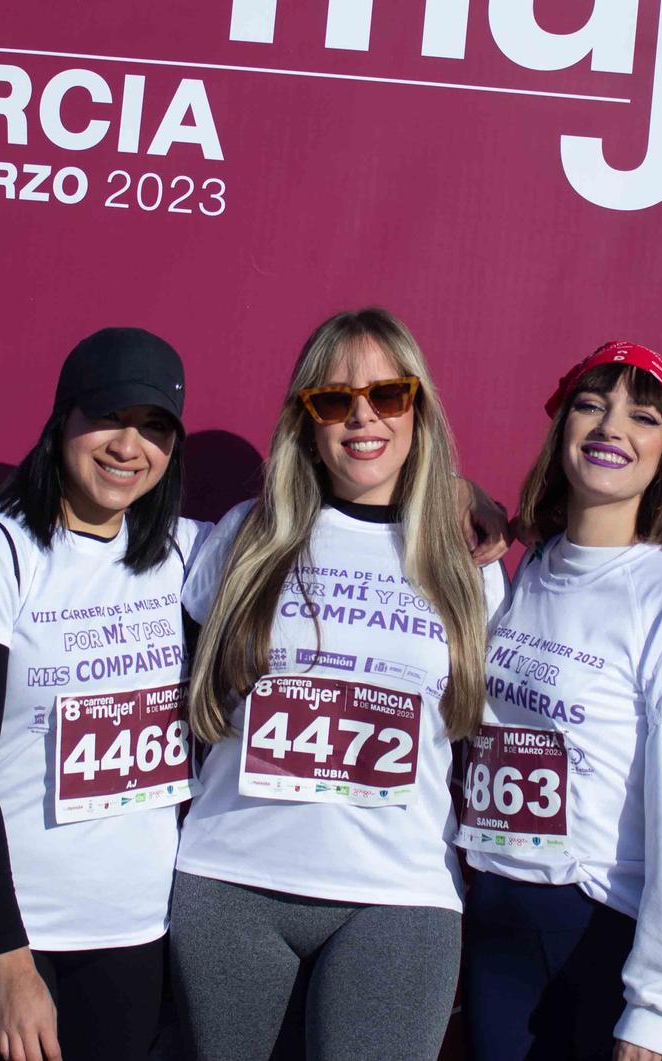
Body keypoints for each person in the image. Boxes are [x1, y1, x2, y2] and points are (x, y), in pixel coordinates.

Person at [168, 307, 504, 1061]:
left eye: (388, 395)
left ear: (417, 410)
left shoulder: (467, 563)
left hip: (399, 898)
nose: (362, 417)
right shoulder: (243, 536)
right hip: (233, 882)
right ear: (306, 420)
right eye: (333, 399)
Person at [0, 326, 200, 1061]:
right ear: (63, 420)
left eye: (154, 428)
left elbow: (327, 524)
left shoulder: (184, 552)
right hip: (7, 932)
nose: (127, 446)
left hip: (134, 927)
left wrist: (461, 498)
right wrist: (11, 965)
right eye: (109, 417)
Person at [460, 340, 662, 1061]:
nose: (612, 426)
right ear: (562, 428)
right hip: (496, 931)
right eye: (592, 404)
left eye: (643, 416)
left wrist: (658, 1006)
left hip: (597, 941)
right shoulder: (529, 570)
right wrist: (463, 499)